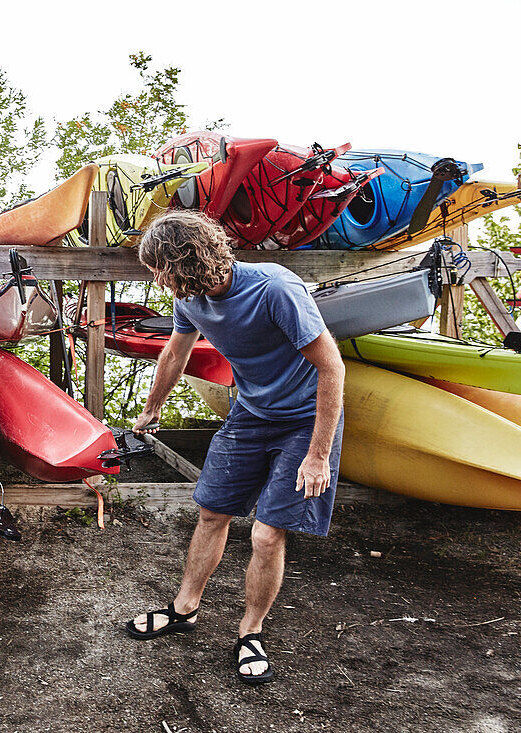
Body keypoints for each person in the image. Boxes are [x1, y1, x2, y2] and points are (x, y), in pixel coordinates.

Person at [125, 210, 345, 686]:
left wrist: (318, 454)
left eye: (158, 269)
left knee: (267, 534)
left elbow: (333, 369)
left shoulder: (275, 289)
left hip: (305, 420)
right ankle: (184, 609)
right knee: (211, 513)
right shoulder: (191, 298)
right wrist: (151, 408)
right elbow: (175, 352)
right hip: (251, 414)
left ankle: (251, 632)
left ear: (184, 260)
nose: (156, 279)